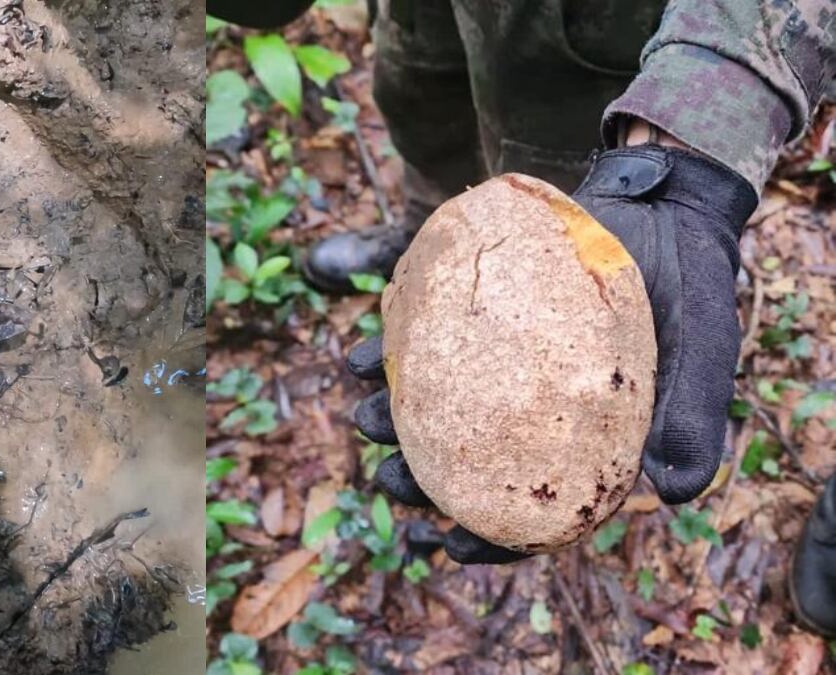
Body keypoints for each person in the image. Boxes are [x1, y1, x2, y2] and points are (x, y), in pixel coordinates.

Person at [207, 0, 836, 638]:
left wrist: (696, 122)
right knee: (428, 113)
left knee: (565, 183)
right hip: (437, 25)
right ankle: (414, 234)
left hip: (601, 45)